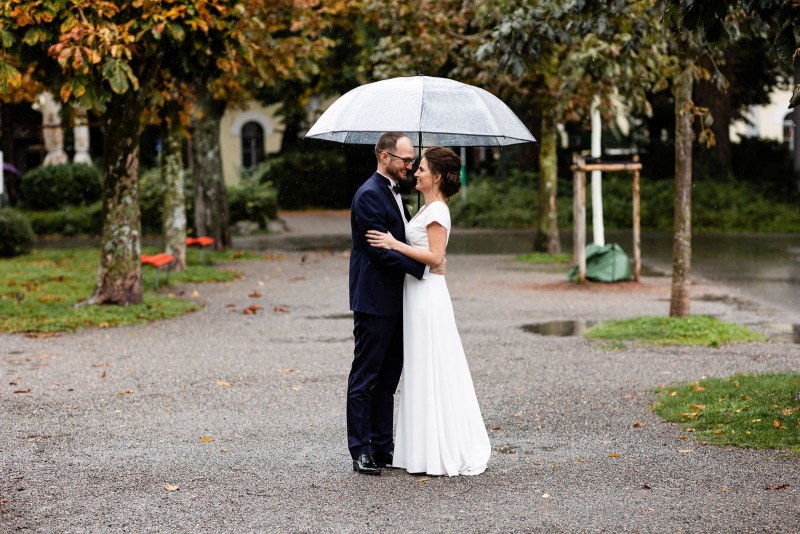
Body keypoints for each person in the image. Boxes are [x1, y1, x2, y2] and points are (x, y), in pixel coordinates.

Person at [366, 146, 491, 476]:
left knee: (430, 365)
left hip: (427, 297)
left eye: (421, 168)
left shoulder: (438, 212)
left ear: (436, 176)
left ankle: (438, 448)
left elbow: (435, 257)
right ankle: (418, 449)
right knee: (420, 367)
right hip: (416, 293)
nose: (415, 172)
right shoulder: (427, 209)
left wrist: (394, 244)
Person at [347, 132, 444, 476]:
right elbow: (379, 251)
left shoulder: (397, 193)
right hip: (374, 300)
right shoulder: (369, 196)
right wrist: (422, 266)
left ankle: (382, 446)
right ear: (385, 157)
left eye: (412, 160)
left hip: (398, 301)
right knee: (365, 377)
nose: (411, 165)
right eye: (405, 159)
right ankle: (360, 450)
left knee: (388, 379)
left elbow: (400, 241)